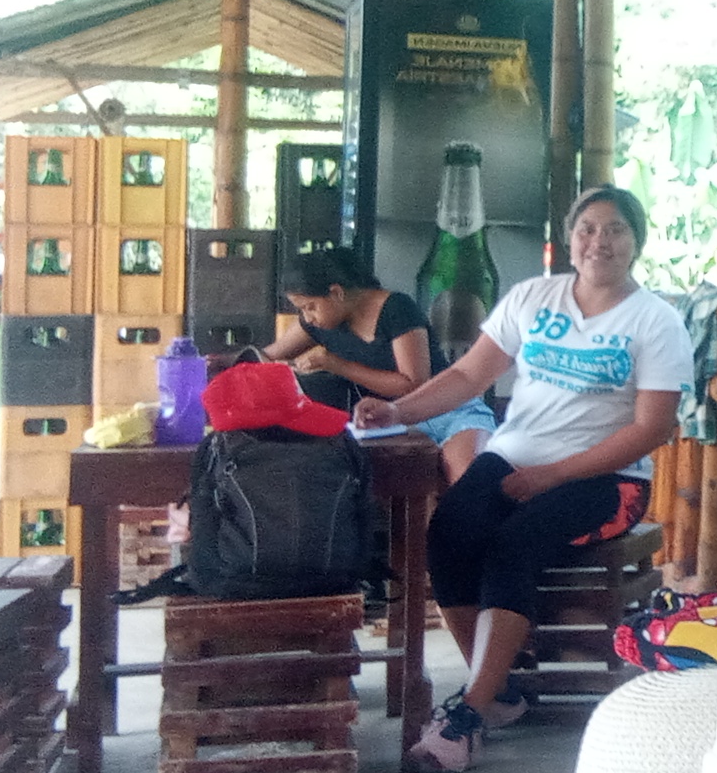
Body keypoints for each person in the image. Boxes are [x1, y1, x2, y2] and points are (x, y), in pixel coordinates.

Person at [354, 188, 687, 772]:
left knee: (513, 546)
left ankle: (468, 715)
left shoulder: (655, 322)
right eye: (587, 229)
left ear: (636, 241)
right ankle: (499, 693)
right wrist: (398, 411)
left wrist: (549, 476)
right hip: (513, 455)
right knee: (448, 535)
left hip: (609, 478)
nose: (600, 241)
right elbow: (468, 374)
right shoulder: (535, 297)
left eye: (615, 230)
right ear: (569, 238)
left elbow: (650, 429)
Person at [264, 245, 494, 482]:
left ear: (336, 293)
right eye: (301, 310)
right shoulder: (318, 323)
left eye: (310, 307)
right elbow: (264, 357)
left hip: (449, 410)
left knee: (468, 479)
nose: (307, 317)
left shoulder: (396, 308)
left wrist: (336, 364)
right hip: (386, 422)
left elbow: (413, 384)